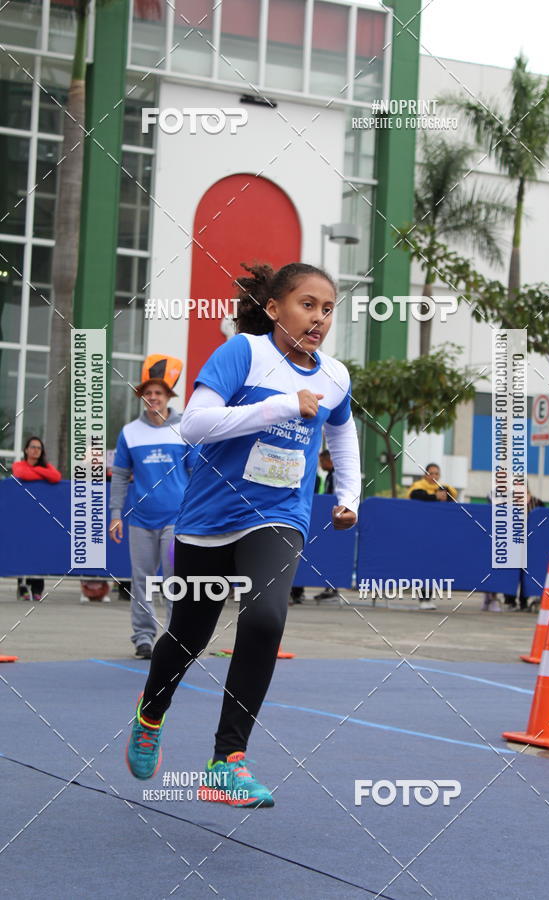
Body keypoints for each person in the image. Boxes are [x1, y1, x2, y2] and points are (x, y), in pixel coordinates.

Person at [126, 261, 361, 808]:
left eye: (328, 309)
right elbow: (194, 425)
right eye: (307, 304)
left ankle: (227, 761)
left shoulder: (335, 376)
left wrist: (349, 496)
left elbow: (343, 436)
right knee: (189, 636)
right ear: (275, 308)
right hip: (209, 519)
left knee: (265, 619)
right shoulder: (244, 353)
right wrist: (281, 405)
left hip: (279, 515)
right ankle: (151, 713)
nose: (319, 318)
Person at [109, 355, 194, 660]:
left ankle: (174, 638)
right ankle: (143, 638)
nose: (153, 397)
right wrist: (115, 515)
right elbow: (120, 476)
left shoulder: (185, 428)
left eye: (158, 392)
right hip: (140, 521)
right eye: (148, 392)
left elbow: (197, 474)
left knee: (174, 581)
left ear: (168, 396)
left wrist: (197, 514)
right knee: (141, 581)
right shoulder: (130, 432)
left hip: (176, 520)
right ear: (142, 397)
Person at [12, 436, 61, 602]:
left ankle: (37, 588)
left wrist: (38, 470)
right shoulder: (19, 464)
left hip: (41, 517)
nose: (35, 450)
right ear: (26, 450)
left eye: (39, 448)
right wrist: (42, 474)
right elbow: (21, 473)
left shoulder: (46, 466)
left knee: (40, 551)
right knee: (24, 551)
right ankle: (23, 588)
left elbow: (56, 476)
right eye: (32, 447)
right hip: (23, 516)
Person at [290, 448, 337, 604]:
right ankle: (297, 591)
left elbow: (332, 496)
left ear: (330, 460)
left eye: (322, 461)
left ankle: (330, 589)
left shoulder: (333, 476)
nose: (320, 464)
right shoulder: (325, 476)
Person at [408, 463, 457, 610]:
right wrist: (434, 496)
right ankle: (422, 598)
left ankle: (428, 598)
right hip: (419, 532)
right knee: (421, 566)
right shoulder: (418, 487)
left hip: (436, 533)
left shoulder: (443, 488)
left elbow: (452, 497)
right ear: (425, 474)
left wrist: (443, 496)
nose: (434, 476)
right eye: (431, 473)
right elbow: (415, 496)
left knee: (433, 566)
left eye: (437, 473)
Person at [503, 485, 544, 610]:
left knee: (527, 573)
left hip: (531, 544)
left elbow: (543, 520)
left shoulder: (538, 503)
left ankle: (524, 601)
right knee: (510, 572)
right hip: (513, 543)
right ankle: (510, 601)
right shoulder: (508, 503)